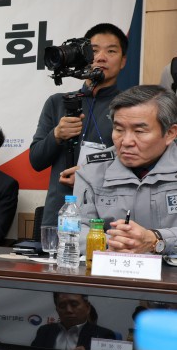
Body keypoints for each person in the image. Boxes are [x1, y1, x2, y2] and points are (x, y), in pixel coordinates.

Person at [30, 23, 129, 226]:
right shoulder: (57, 102)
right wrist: (56, 135)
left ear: (123, 61)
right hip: (58, 213)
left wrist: (89, 177)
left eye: (111, 51)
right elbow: (36, 161)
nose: (101, 57)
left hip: (108, 218)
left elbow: (138, 162)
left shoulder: (131, 106)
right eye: (94, 51)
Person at [74, 85, 177, 255]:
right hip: (112, 267)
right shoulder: (93, 170)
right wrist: (113, 244)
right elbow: (74, 230)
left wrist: (157, 239)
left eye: (139, 131)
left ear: (170, 133)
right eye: (119, 130)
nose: (126, 141)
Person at [31, 293, 115, 350]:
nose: (68, 310)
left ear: (87, 307)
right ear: (57, 310)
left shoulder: (103, 336)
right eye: (62, 306)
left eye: (74, 304)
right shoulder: (44, 332)